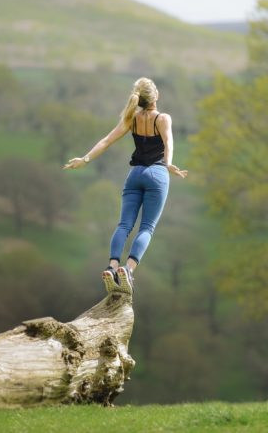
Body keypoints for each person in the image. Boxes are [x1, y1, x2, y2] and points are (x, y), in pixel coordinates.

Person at [63, 77, 188, 293]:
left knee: (124, 225)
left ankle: (112, 267)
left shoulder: (132, 119)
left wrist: (85, 159)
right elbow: (168, 143)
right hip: (156, 174)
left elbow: (106, 141)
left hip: (135, 175)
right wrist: (168, 165)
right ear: (155, 96)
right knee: (147, 227)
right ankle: (128, 269)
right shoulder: (163, 118)